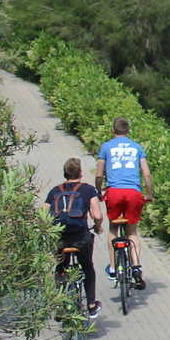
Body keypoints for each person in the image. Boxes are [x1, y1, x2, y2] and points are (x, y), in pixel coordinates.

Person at [96, 116, 153, 288]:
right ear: (128, 131)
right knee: (132, 231)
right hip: (133, 193)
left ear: (113, 130)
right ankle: (136, 266)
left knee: (113, 228)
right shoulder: (137, 147)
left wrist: (98, 191)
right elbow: (147, 174)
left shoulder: (106, 147)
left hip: (113, 192)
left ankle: (113, 268)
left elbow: (99, 174)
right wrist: (149, 193)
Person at [44, 157, 105, 318]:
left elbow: (42, 215)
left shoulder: (55, 191)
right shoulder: (88, 190)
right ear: (81, 173)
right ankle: (91, 305)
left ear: (65, 173)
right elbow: (97, 215)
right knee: (87, 267)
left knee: (61, 267)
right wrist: (98, 227)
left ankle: (59, 305)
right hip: (81, 238)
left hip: (60, 238)